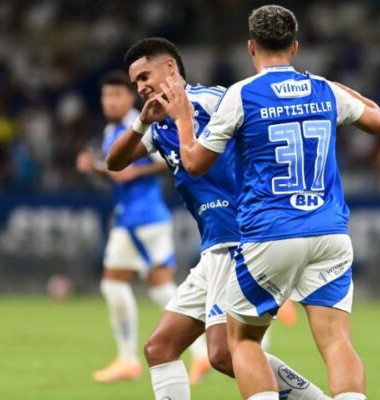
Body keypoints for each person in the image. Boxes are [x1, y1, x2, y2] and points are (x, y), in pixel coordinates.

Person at [164, 5, 380, 400]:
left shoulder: (242, 94)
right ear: (295, 46)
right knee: (336, 342)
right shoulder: (324, 90)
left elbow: (194, 163)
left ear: (251, 47)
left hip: (271, 232)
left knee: (243, 342)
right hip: (329, 231)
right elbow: (378, 121)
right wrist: (337, 87)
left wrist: (183, 118)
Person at [105, 37, 329, 400]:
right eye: (135, 83)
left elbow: (264, 131)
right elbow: (114, 163)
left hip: (239, 239)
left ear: (171, 68)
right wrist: (140, 124)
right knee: (160, 348)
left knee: (225, 353)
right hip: (214, 249)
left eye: (144, 75)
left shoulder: (213, 101)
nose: (141, 86)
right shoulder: (159, 125)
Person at [75, 71, 189, 383]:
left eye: (116, 95)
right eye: (105, 96)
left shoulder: (135, 125)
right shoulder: (114, 129)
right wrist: (96, 169)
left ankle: (128, 358)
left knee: (118, 284)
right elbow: (116, 173)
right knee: (159, 288)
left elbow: (172, 158)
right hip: (136, 218)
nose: (109, 101)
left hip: (142, 219)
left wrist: (133, 174)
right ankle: (203, 352)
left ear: (129, 98)